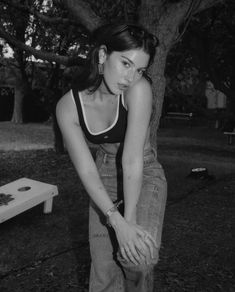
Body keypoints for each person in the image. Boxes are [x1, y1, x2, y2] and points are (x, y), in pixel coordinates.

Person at [56, 23, 167, 292]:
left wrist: (127, 221)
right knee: (104, 272)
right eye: (126, 63)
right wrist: (115, 221)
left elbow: (131, 160)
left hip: (143, 169)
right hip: (102, 172)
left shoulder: (138, 90)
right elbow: (86, 171)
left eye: (139, 69)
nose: (131, 77)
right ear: (103, 55)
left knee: (139, 257)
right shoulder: (68, 107)